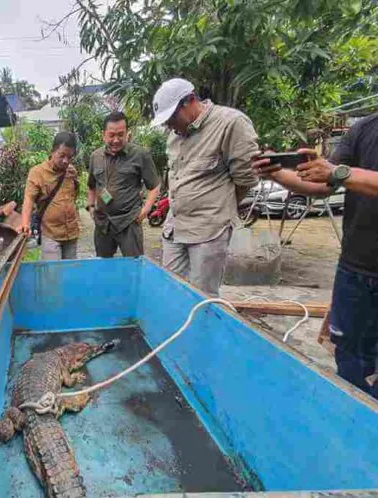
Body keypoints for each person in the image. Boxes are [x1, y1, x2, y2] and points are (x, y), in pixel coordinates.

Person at [252, 112, 378, 399]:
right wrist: (276, 172)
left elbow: (337, 174)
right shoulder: (364, 129)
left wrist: (339, 172)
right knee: (349, 360)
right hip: (355, 269)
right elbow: (323, 185)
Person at [152, 78, 259, 297]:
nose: (169, 125)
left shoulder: (230, 123)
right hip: (176, 226)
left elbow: (245, 180)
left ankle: (201, 331)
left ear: (189, 101)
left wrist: (218, 209)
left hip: (208, 230)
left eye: (172, 117)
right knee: (170, 290)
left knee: (202, 296)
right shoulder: (174, 135)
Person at [87, 111, 160, 258]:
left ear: (127, 134)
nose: (116, 140)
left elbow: (154, 185)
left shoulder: (140, 155)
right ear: (104, 135)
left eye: (120, 135)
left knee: (134, 266)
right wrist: (90, 206)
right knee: (103, 266)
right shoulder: (95, 156)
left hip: (129, 221)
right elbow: (92, 185)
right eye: (111, 135)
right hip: (103, 223)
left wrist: (145, 210)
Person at [21, 131, 80, 260]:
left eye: (69, 157)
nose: (66, 161)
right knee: (53, 275)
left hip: (71, 233)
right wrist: (25, 223)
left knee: (70, 273)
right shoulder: (37, 172)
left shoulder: (71, 171)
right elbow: (29, 199)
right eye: (62, 155)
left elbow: (74, 195)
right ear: (52, 151)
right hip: (51, 234)